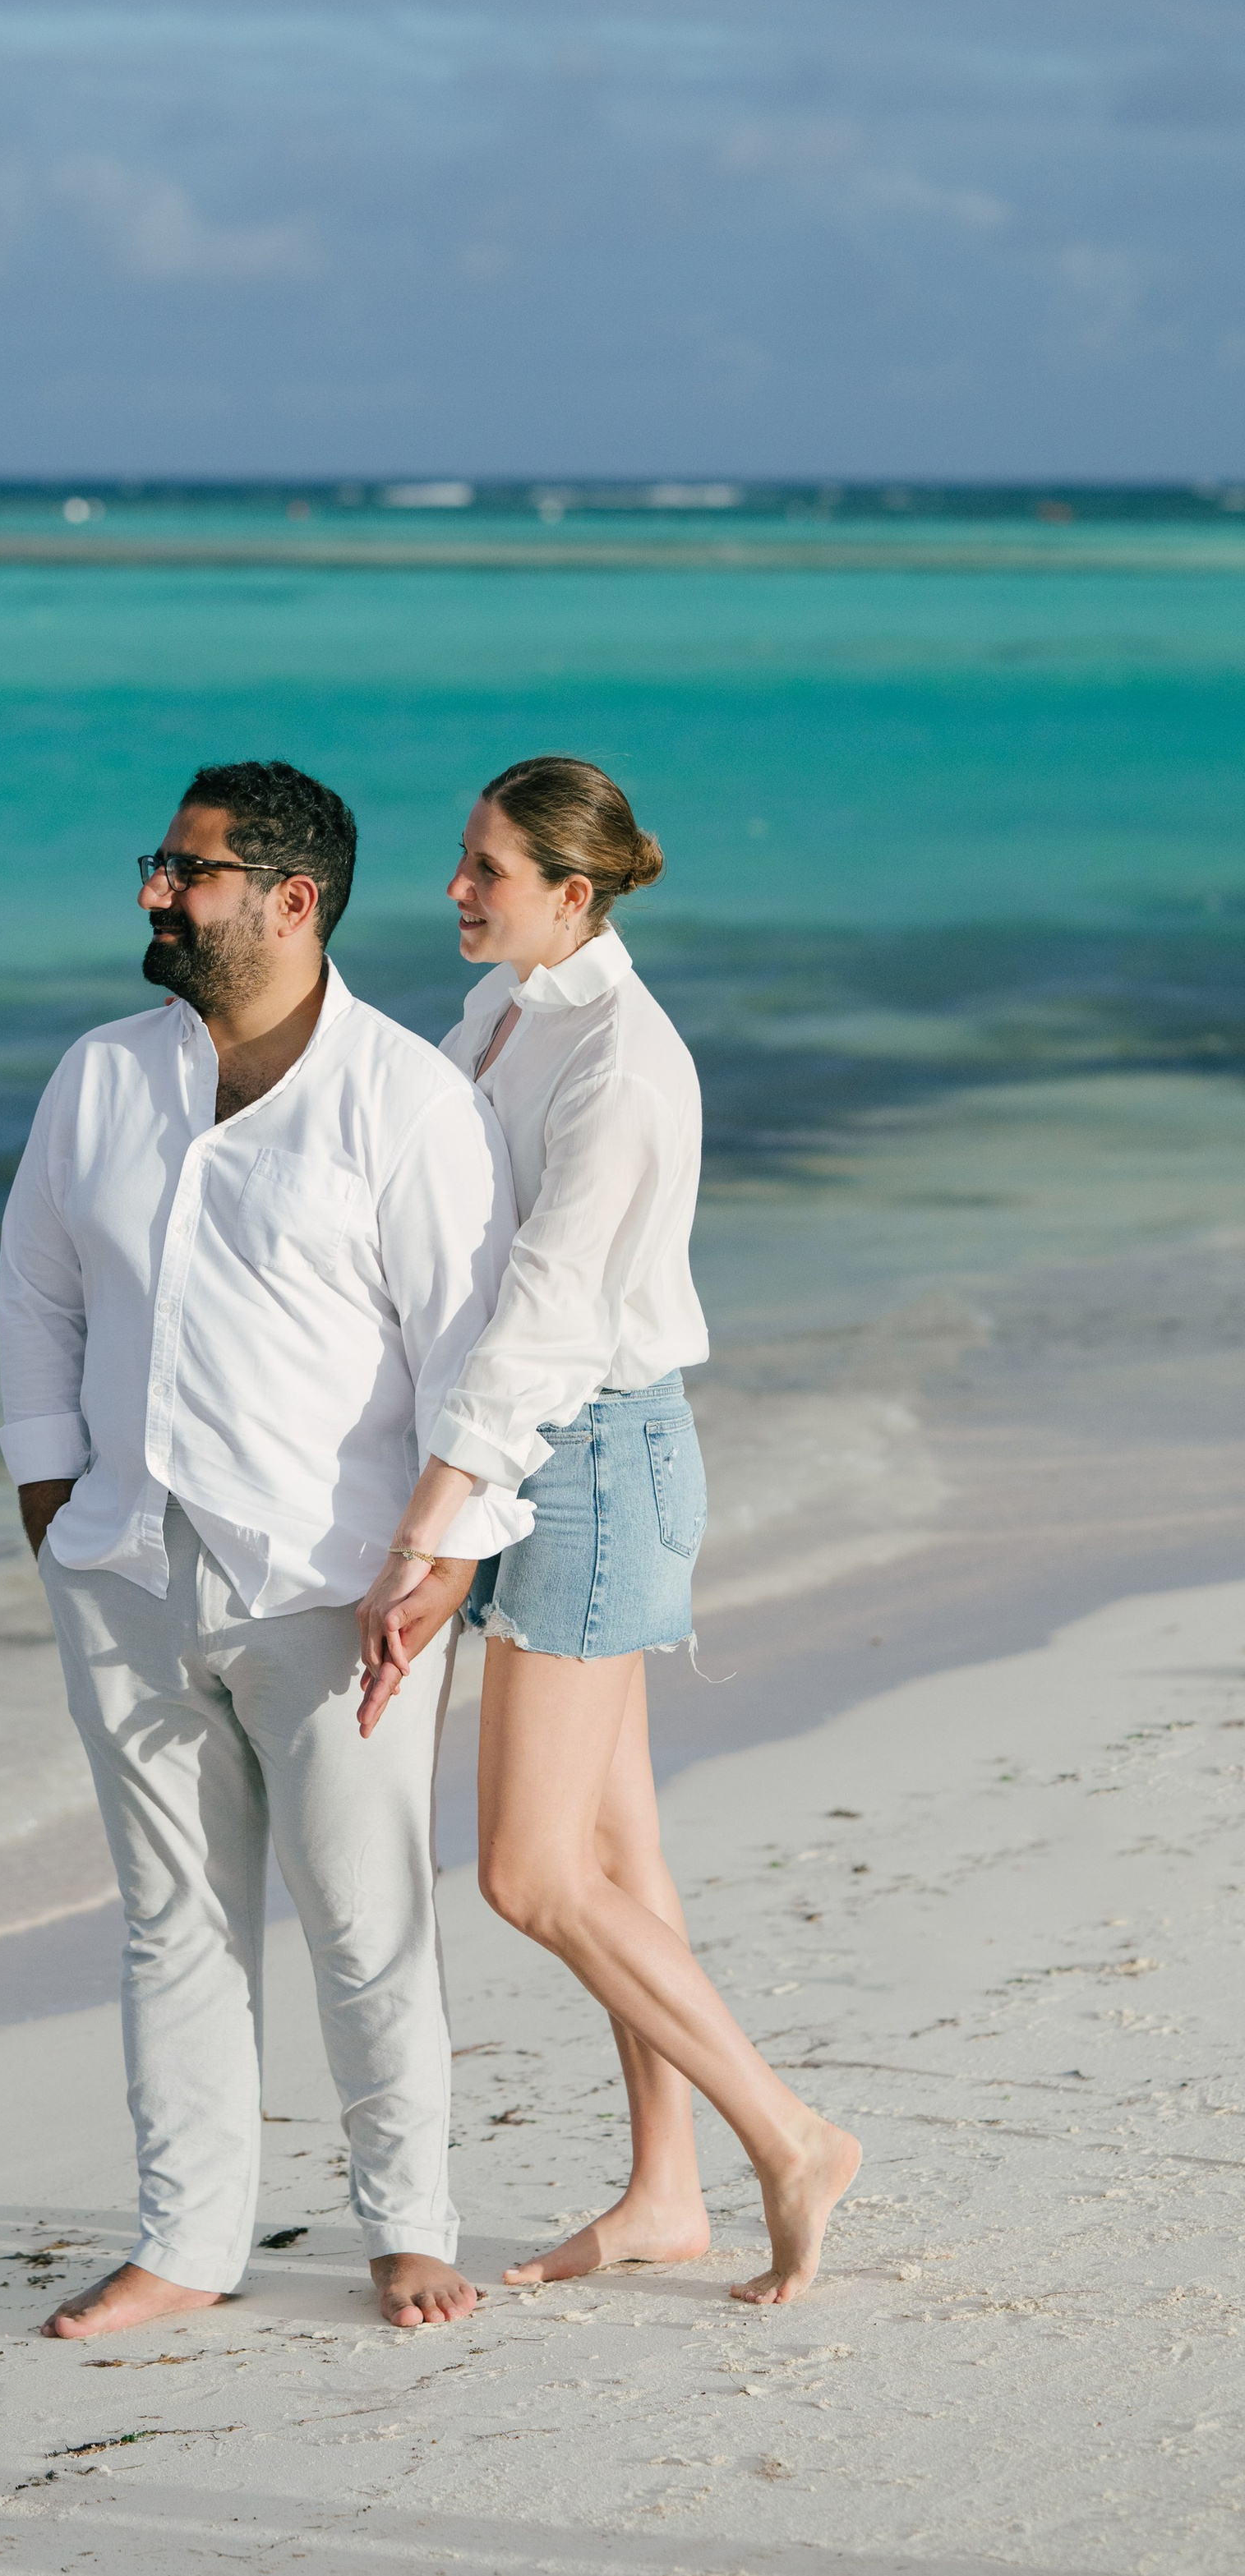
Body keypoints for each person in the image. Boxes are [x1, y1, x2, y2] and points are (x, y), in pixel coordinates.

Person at [0, 759, 526, 2339]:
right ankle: (187, 2237)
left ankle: (409, 2226)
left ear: (294, 901)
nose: (156, 891)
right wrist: (50, 1502)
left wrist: (446, 1558)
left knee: (365, 1918)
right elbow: (37, 1294)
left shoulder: (404, 1099)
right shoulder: (99, 1075)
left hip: (332, 1585)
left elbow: (474, 1354)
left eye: (190, 870)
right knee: (173, 1919)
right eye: (157, 862)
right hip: (120, 1565)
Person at [357, 757, 860, 2307]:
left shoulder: (624, 1064)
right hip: (544, 1454)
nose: (457, 887)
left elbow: (548, 1318)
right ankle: (665, 2190)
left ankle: (788, 2132)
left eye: (489, 869)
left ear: (574, 895)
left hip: (583, 1462)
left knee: (526, 1871)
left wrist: (433, 1524)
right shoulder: (512, 1011)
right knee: (621, 1855)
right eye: (462, 857)